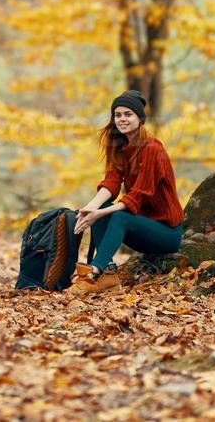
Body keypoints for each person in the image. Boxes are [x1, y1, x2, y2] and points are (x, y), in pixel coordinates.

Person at [68, 90, 183, 294]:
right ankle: (109, 275)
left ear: (140, 118)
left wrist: (102, 214)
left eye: (128, 114)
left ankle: (93, 273)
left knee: (117, 215)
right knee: (102, 207)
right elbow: (112, 182)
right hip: (140, 228)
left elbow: (140, 193)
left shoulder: (152, 148)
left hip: (167, 233)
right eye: (118, 115)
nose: (122, 119)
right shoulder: (119, 146)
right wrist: (91, 208)